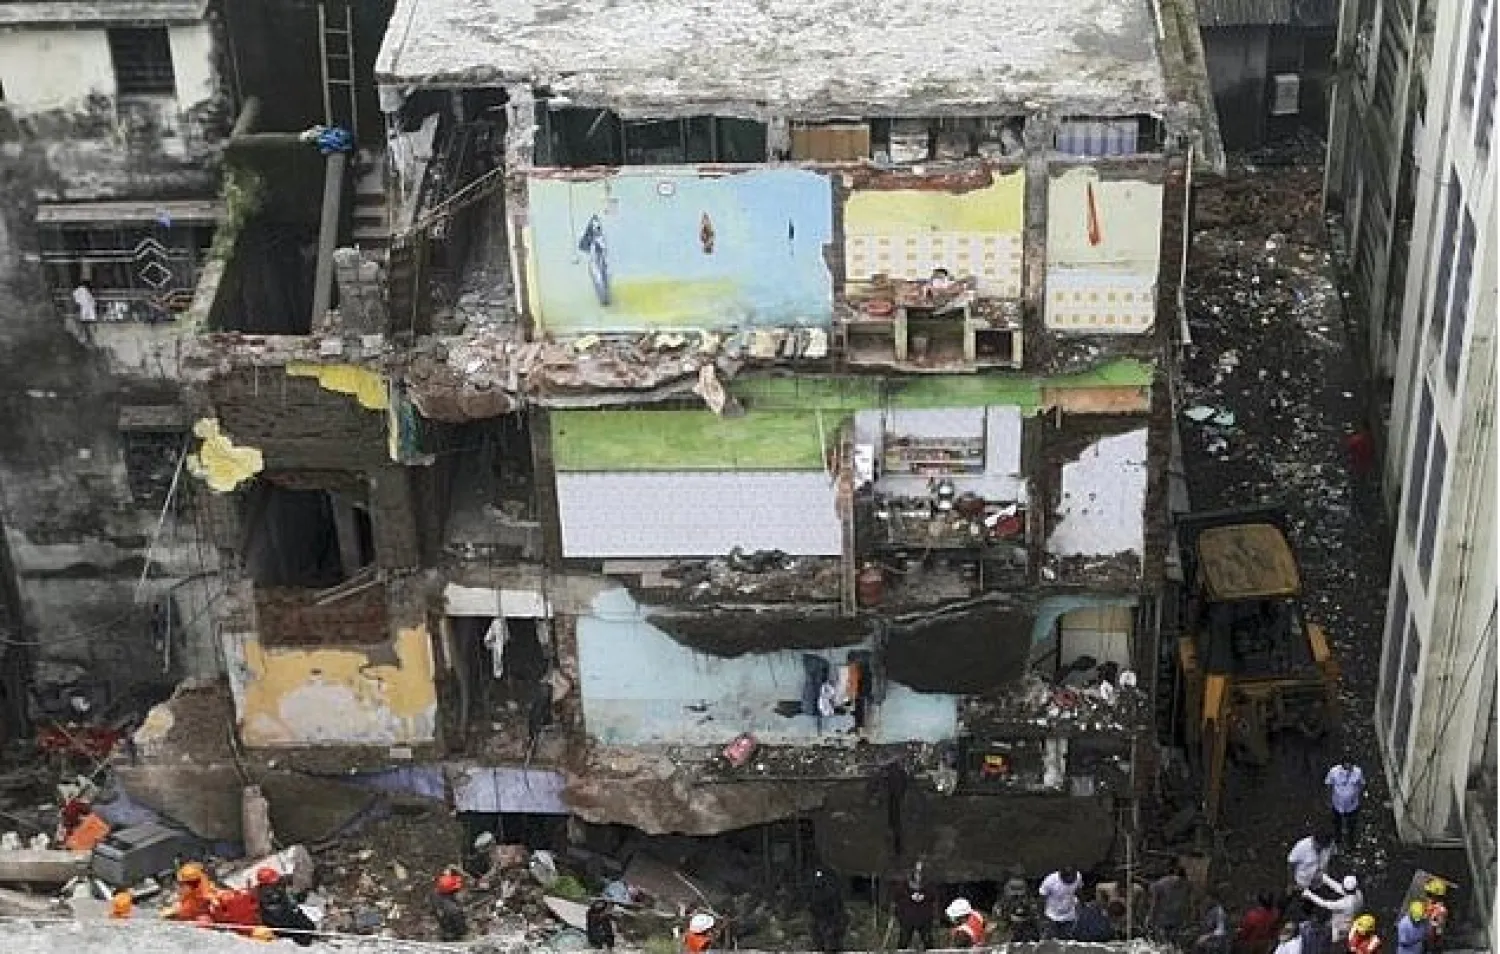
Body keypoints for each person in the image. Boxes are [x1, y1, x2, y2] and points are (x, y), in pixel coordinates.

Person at [254, 867, 315, 946]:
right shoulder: (265, 895)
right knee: (302, 936)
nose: (276, 881)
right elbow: (277, 913)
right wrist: (292, 909)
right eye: (273, 880)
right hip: (279, 922)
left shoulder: (275, 886)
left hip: (287, 913)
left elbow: (284, 883)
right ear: (266, 883)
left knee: (309, 926)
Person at [1303, 874, 1363, 945]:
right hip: (1348, 924)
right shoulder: (1358, 894)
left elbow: (1324, 903)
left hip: (1339, 928)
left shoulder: (1344, 903)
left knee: (1329, 943)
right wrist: (1325, 878)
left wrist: (1308, 894)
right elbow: (1339, 888)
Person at [1325, 762, 1366, 848]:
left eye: (1350, 764)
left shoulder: (1358, 772)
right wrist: (1329, 801)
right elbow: (1329, 785)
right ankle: (1338, 840)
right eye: (1346, 764)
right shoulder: (1334, 771)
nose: (1348, 766)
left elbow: (1361, 785)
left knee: (1351, 824)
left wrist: (1359, 798)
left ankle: (1350, 842)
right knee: (1337, 823)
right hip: (1337, 804)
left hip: (1352, 805)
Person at [807, 869, 847, 954]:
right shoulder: (814, 889)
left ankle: (831, 946)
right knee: (821, 934)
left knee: (829, 935)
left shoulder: (830, 888)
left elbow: (836, 904)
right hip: (821, 916)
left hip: (829, 916)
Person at [1149, 864, 1191, 942]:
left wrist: (1151, 918)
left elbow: (1155, 903)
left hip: (1167, 919)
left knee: (1163, 943)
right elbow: (1188, 905)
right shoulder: (1186, 885)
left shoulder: (1160, 884)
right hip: (1171, 919)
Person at [1038, 867, 1082, 940]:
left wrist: (1080, 907)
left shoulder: (1078, 876)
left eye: (1073, 879)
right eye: (1069, 880)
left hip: (1069, 915)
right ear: (1061, 876)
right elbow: (1041, 899)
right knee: (1052, 941)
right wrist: (1042, 917)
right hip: (1052, 916)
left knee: (1068, 939)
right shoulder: (1050, 881)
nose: (1072, 881)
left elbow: (1079, 890)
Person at [893, 875, 935, 949]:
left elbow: (932, 899)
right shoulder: (903, 887)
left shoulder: (928, 886)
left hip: (923, 918)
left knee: (928, 940)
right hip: (908, 919)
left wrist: (924, 897)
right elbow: (898, 901)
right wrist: (910, 897)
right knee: (904, 940)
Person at [432, 868, 467, 941]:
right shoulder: (453, 880)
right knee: (453, 913)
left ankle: (453, 932)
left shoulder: (454, 880)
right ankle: (453, 932)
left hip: (447, 897)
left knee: (451, 913)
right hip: (446, 898)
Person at [1195, 890, 1230, 954]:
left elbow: (1220, 930)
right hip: (1208, 944)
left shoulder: (1219, 911)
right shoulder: (1209, 911)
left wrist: (1207, 936)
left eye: (1208, 898)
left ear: (1214, 899)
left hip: (1218, 945)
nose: (1206, 900)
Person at [1421, 879, 1449, 951]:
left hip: (1431, 945)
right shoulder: (1429, 906)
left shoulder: (1441, 910)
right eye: (1427, 894)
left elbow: (1439, 931)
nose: (1427, 897)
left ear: (1436, 896)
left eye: (1429, 894)